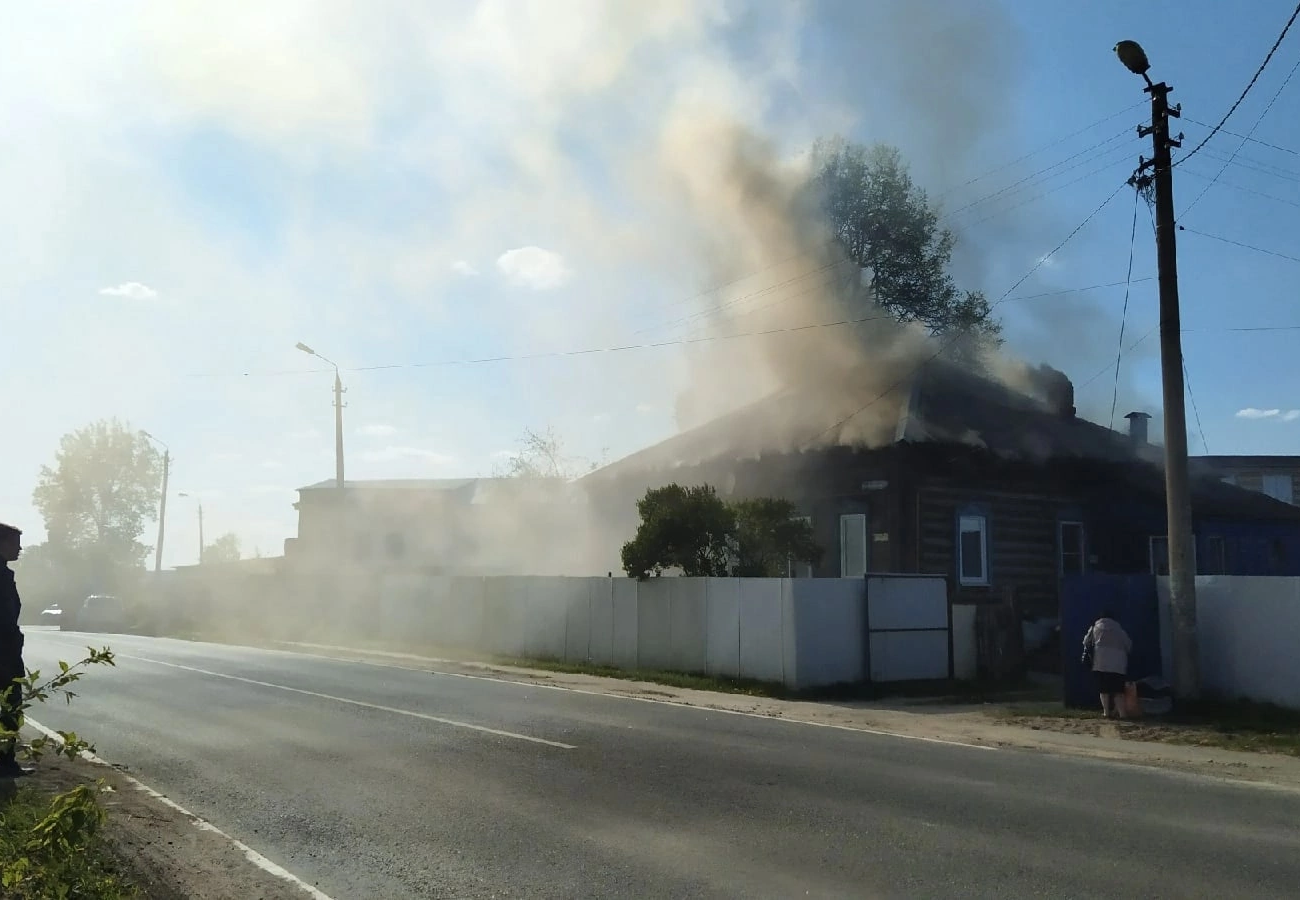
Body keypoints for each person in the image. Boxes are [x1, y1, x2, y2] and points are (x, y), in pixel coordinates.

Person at [0, 521, 31, 777]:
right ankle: (5, 763)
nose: (19, 549)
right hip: (4, 654)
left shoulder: (4, 572)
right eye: (15, 544)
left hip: (7, 650)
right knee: (9, 706)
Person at [1083, 608, 1133, 719]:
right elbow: (1129, 645)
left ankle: (1106, 712)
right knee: (1118, 690)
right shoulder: (1120, 630)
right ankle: (1122, 714)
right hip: (1118, 665)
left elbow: (1086, 642)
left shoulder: (1095, 629)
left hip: (1101, 663)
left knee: (1104, 689)